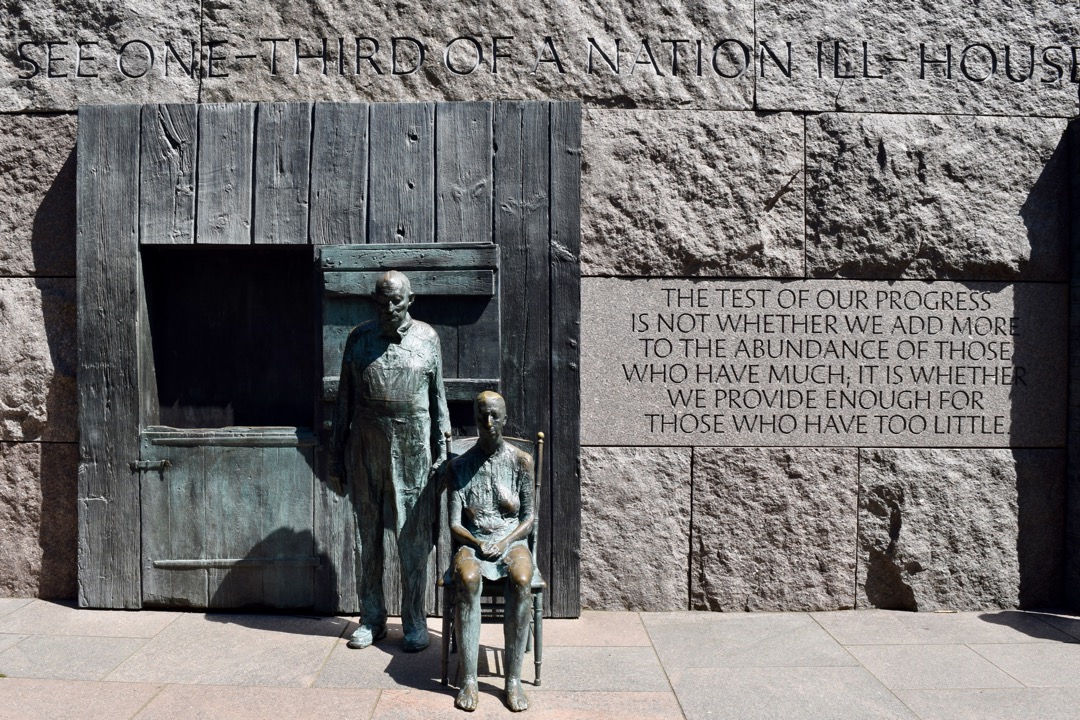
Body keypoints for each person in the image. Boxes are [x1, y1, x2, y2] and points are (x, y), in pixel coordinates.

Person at [328, 270, 450, 652]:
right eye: (382, 301)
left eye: (396, 301)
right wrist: (336, 456)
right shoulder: (359, 338)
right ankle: (372, 618)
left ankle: (414, 620)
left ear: (410, 300)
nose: (389, 308)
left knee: (412, 540)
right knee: (368, 538)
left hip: (414, 448)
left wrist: (443, 446)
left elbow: (438, 397)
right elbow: (344, 401)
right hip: (366, 446)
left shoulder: (428, 338)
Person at [446, 391, 535, 712]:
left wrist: (505, 540)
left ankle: (512, 681)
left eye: (495, 415)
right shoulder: (460, 466)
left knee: (522, 578)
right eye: (482, 415)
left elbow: (528, 517)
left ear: (505, 418)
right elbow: (454, 524)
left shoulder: (521, 461)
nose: (488, 422)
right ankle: (469, 679)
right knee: (468, 579)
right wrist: (477, 542)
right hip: (474, 542)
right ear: (475, 419)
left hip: (512, 541)